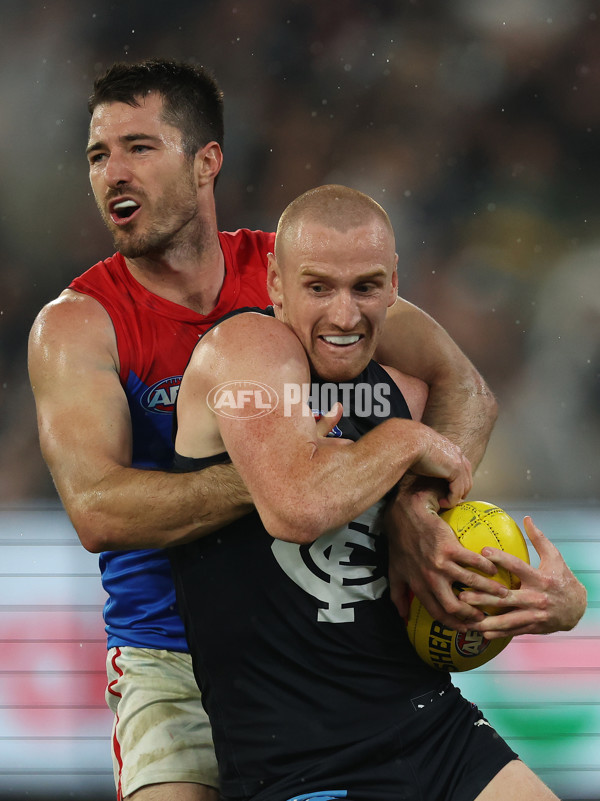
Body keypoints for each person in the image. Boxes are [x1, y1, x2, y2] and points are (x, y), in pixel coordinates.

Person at [28, 59, 504, 801]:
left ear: (206, 161)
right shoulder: (77, 325)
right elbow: (98, 509)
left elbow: (466, 388)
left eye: (138, 147)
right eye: (98, 155)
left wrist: (415, 506)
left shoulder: (297, 274)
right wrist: (288, 474)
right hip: (170, 659)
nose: (113, 172)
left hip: (314, 645)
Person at [170, 184, 586, 801]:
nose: (344, 315)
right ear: (277, 289)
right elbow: (297, 507)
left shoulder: (404, 388)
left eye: (365, 287)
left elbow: (472, 398)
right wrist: (400, 443)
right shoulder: (244, 351)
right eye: (318, 288)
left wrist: (552, 605)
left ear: (395, 285)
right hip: (301, 765)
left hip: (435, 731)